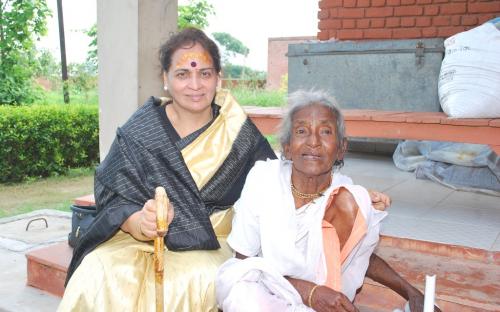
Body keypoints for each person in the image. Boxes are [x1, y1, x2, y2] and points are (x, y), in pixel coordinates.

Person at [59, 28, 391, 311]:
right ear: (165, 79)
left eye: (204, 73)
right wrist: (135, 220)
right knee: (96, 269)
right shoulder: (140, 130)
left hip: (210, 239)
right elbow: (111, 190)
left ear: (218, 77)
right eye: (182, 74)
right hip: (135, 237)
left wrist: (345, 191)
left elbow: (283, 173)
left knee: (199, 278)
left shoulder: (236, 130)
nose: (194, 84)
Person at [216, 90, 441, 312]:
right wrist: (307, 292)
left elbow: (357, 257)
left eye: (325, 132)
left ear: (341, 148)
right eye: (302, 131)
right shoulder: (264, 179)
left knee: (356, 201)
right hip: (268, 295)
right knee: (241, 293)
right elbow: (244, 263)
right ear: (287, 146)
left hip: (325, 301)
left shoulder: (347, 199)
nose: (313, 142)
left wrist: (413, 293)